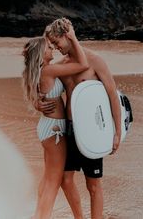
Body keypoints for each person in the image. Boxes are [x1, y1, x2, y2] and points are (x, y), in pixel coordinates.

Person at [39, 18, 122, 219]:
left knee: (93, 183)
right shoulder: (61, 65)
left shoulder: (95, 61)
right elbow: (43, 87)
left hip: (92, 131)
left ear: (67, 36)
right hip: (69, 129)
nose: (56, 48)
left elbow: (112, 94)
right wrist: (37, 103)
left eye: (57, 42)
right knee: (66, 180)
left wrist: (117, 131)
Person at [22, 27, 89, 219]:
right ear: (41, 54)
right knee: (54, 180)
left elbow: (37, 97)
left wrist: (37, 104)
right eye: (48, 47)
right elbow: (83, 64)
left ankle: (38, 214)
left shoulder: (38, 72)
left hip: (47, 127)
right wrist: (74, 38)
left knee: (47, 179)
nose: (52, 49)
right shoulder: (49, 71)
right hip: (55, 131)